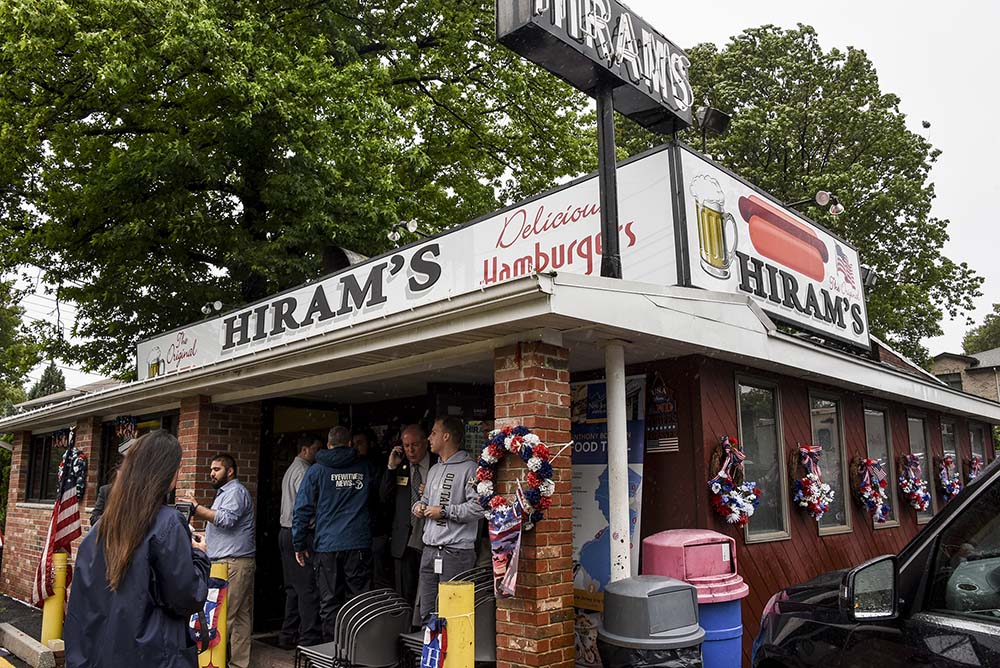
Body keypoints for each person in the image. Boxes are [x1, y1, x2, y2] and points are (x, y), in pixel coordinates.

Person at [65, 430, 209, 668]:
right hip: (151, 656)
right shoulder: (168, 524)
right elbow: (186, 597)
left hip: (99, 654)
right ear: (166, 472)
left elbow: (83, 602)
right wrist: (200, 556)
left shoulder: (102, 526)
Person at [293, 426, 373, 642]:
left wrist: (299, 544)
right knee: (358, 600)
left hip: (327, 545)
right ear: (349, 444)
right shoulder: (364, 467)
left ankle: (333, 651)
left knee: (329, 602)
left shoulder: (317, 470)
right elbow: (379, 500)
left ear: (328, 444)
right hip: (357, 543)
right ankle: (358, 651)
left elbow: (302, 509)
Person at [179, 454, 256, 668]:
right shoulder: (225, 493)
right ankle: (239, 664)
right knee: (240, 617)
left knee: (222, 617)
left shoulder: (235, 492)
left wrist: (196, 508)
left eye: (216, 469)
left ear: (229, 471)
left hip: (233, 563)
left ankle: (212, 664)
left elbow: (226, 520)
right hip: (233, 561)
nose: (212, 473)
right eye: (211, 470)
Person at [413, 416, 483, 622]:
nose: (429, 437)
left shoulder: (471, 468)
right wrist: (419, 507)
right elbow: (423, 500)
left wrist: (444, 511)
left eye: (433, 433)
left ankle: (451, 655)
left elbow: (479, 507)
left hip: (456, 553)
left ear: (446, 436)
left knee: (453, 615)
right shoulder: (434, 469)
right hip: (429, 550)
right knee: (428, 612)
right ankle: (431, 653)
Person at [380, 424, 435, 607]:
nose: (410, 450)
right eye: (406, 446)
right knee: (405, 593)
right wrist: (390, 467)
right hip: (404, 539)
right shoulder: (400, 466)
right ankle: (406, 631)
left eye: (415, 445)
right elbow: (384, 497)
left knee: (431, 591)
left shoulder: (439, 463)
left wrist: (432, 491)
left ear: (426, 443)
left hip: (431, 536)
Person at [277, 434, 323, 649]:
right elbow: (304, 508)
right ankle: (308, 638)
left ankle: (287, 635)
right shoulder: (305, 471)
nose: (318, 453)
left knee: (293, 589)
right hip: (300, 532)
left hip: (285, 531)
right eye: (315, 449)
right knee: (307, 589)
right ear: (305, 450)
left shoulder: (290, 470)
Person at [355, 427, 393, 589]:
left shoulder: (377, 464)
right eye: (352, 444)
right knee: (360, 577)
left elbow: (383, 497)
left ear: (370, 443)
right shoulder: (352, 466)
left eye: (360, 443)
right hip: (359, 532)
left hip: (377, 529)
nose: (355, 447)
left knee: (379, 576)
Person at [89, 436, 137, 526]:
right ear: (117, 472)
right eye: (122, 473)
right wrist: (110, 517)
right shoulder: (105, 490)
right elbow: (93, 519)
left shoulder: (137, 492)